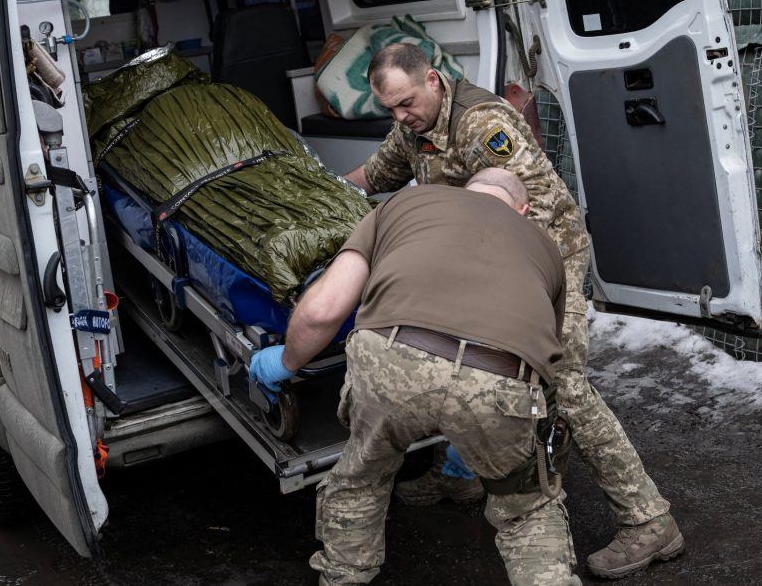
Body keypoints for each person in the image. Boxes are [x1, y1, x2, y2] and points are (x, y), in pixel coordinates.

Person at [343, 43, 683, 579]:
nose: (400, 117)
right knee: (455, 354)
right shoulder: (414, 126)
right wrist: (328, 192)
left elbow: (535, 209)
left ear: (433, 80)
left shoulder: (483, 124)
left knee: (563, 387)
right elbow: (379, 174)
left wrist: (506, 301)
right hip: (475, 256)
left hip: (544, 255)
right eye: (390, 109)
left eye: (406, 103)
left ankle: (648, 520)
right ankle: (460, 475)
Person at [250, 170, 579, 585]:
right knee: (528, 511)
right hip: (500, 379)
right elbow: (547, 353)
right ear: (522, 210)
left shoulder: (406, 204)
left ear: (462, 193)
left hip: (392, 356)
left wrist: (286, 363)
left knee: (361, 480)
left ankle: (343, 579)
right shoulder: (545, 248)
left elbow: (322, 311)